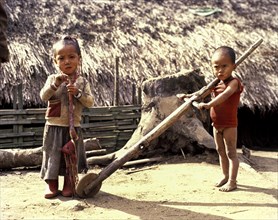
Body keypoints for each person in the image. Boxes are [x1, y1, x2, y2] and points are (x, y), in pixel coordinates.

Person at [177, 46, 243, 192]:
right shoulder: (215, 83)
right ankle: (225, 176)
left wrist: (208, 104)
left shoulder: (234, 82)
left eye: (224, 66)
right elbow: (202, 92)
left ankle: (232, 181)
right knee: (220, 150)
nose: (220, 70)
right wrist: (188, 96)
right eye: (216, 67)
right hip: (216, 123)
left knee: (231, 152)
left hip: (229, 124)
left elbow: (224, 96)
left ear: (234, 66)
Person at [40, 36, 94, 199]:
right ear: (55, 62)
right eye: (61, 58)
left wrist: (77, 93)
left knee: (71, 158)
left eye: (71, 57)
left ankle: (69, 185)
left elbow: (90, 102)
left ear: (79, 59)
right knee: (52, 156)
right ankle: (52, 185)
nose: (67, 61)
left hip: (73, 130)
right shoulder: (52, 79)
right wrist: (55, 84)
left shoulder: (83, 82)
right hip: (54, 127)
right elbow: (43, 96)